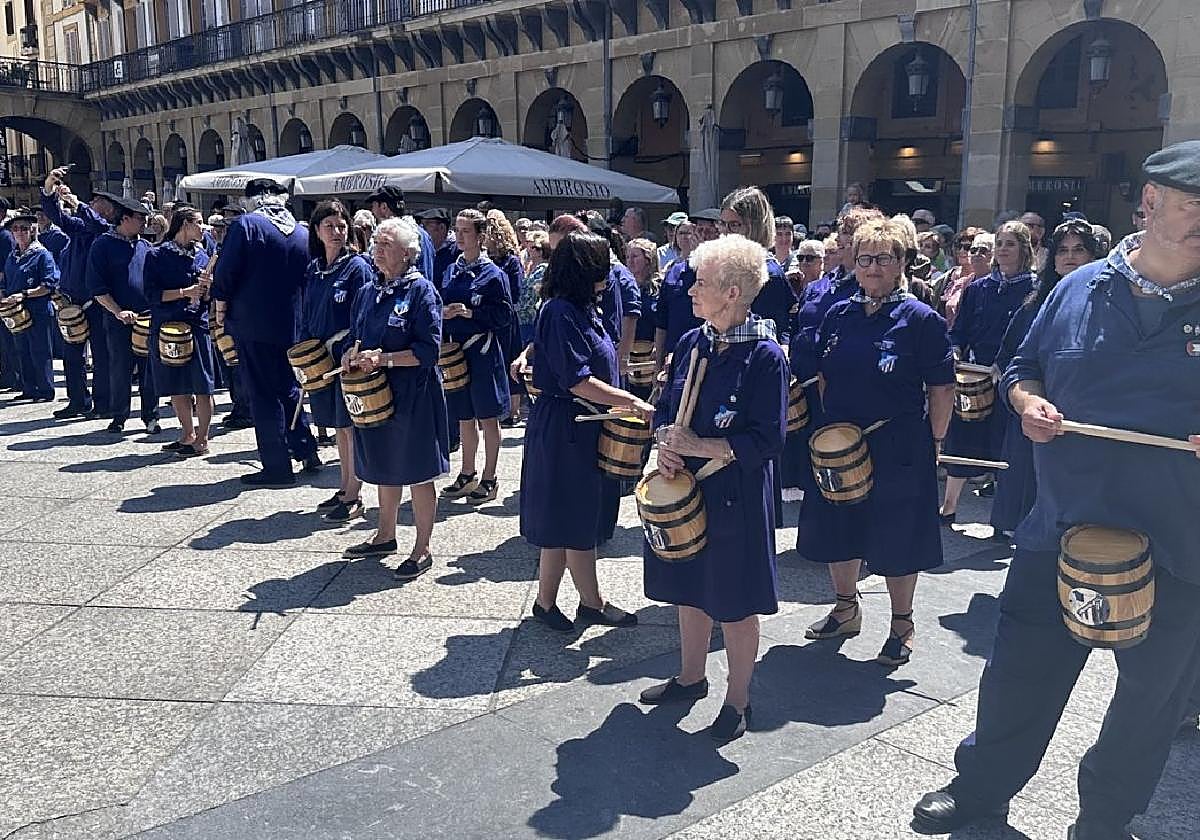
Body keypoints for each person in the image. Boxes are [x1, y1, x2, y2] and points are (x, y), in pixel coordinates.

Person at [913, 140, 1200, 840]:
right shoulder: (1079, 288)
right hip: (1061, 528)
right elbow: (1022, 366)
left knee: (1150, 703)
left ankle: (1106, 818)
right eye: (1196, 207)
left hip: (1179, 543)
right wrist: (1026, 402)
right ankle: (981, 789)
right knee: (1018, 677)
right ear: (1151, 203)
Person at [639, 234, 789, 741]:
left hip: (737, 496)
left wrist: (700, 445)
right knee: (690, 590)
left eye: (700, 282)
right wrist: (664, 441)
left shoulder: (766, 355)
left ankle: (738, 701)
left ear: (732, 291)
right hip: (690, 489)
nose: (690, 290)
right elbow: (665, 408)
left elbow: (768, 439)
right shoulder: (693, 341)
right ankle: (690, 677)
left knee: (737, 604)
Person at [798, 217, 955, 666]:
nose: (871, 268)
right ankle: (846, 609)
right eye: (864, 259)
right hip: (841, 444)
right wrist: (837, 435)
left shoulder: (920, 319)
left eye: (883, 259)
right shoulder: (840, 313)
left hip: (899, 444)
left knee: (897, 537)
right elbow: (824, 376)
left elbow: (941, 388)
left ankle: (901, 625)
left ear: (902, 262)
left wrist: (936, 441)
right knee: (838, 528)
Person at [520, 230, 652, 632]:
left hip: (580, 424)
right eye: (602, 265)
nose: (610, 272)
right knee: (573, 517)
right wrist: (631, 402)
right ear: (583, 270)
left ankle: (548, 603)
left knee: (568, 519)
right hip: (568, 425)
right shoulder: (560, 311)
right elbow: (577, 380)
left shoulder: (581, 307)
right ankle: (590, 603)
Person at [339, 217, 449, 576]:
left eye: (386, 244)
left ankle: (423, 547)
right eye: (376, 243)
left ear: (406, 253)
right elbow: (356, 334)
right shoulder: (370, 291)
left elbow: (428, 351)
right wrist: (349, 355)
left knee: (418, 470)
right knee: (385, 465)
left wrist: (384, 359)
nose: (377, 250)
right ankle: (385, 534)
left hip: (414, 393)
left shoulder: (421, 291)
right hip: (377, 394)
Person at [989, 220, 1102, 542]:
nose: (1070, 257)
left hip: (1084, 416)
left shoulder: (1111, 306)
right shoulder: (1036, 304)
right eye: (1063, 251)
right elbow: (1011, 356)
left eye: (1079, 250)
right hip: (1036, 415)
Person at [211, 179, 320, 485]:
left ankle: (276, 465)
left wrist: (220, 306)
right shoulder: (301, 230)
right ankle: (306, 448)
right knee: (289, 387)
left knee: (262, 393)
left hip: (254, 322)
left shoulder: (246, 225)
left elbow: (226, 272)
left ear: (250, 199)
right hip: (293, 323)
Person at [939, 222, 1036, 522]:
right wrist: (955, 350)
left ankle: (1003, 517)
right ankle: (949, 506)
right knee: (962, 438)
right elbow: (960, 331)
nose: (1003, 249)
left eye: (1010, 243)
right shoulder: (979, 287)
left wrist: (1008, 367)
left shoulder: (1034, 289)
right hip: (975, 377)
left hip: (1011, 379)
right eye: (1001, 243)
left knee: (1005, 445)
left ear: (1024, 249)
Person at [302, 200, 373, 521]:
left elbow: (364, 315)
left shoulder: (357, 267)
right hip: (320, 360)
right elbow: (305, 313)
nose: (336, 231)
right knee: (337, 428)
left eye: (341, 225)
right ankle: (345, 486)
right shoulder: (313, 269)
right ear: (316, 231)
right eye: (329, 226)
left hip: (346, 359)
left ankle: (354, 492)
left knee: (349, 427)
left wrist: (351, 347)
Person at [439, 209, 512, 505]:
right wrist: (444, 313)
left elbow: (505, 315)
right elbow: (440, 300)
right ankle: (467, 473)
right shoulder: (451, 269)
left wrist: (472, 313)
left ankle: (490, 477)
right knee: (464, 416)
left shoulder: (494, 274)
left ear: (481, 237)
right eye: (457, 229)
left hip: (482, 351)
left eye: (466, 231)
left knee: (487, 416)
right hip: (456, 353)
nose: (460, 236)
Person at [40, 172, 115, 419]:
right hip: (71, 300)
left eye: (96, 202)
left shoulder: (104, 230)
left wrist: (78, 204)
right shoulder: (80, 228)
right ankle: (78, 401)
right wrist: (49, 190)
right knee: (72, 354)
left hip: (96, 302)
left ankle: (102, 402)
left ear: (106, 209)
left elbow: (97, 223)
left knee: (101, 354)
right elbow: (56, 216)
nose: (91, 203)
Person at [143, 205, 216, 457]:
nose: (203, 227)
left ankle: (203, 438)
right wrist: (184, 292)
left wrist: (207, 289)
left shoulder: (203, 256)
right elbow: (151, 295)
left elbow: (208, 298)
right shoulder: (157, 255)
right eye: (198, 222)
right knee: (175, 384)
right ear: (184, 224)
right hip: (168, 326)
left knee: (203, 385)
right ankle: (187, 433)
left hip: (197, 326)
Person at [87, 195, 161, 435]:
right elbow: (98, 288)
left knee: (149, 369)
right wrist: (118, 311)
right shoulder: (102, 245)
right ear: (125, 219)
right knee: (120, 367)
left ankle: (151, 416)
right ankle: (119, 415)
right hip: (118, 319)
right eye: (140, 218)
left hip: (146, 318)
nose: (145, 223)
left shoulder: (145, 246)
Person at [720, 187, 799, 351]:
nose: (726, 232)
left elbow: (772, 335)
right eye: (723, 224)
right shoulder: (727, 264)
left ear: (754, 226)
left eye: (734, 225)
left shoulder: (768, 274)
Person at [2, 209, 58, 403]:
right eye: (16, 229)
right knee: (22, 350)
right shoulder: (12, 256)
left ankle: (45, 389)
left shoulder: (42, 254)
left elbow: (49, 285)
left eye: (24, 229)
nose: (20, 232)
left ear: (32, 230)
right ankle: (29, 388)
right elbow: (7, 281)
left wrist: (24, 294)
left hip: (38, 309)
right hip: (17, 312)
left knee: (40, 351)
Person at [484, 210, 526, 426]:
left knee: (510, 360)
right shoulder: (484, 260)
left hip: (508, 319)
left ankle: (513, 410)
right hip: (492, 319)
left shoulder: (510, 261)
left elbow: (517, 291)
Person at [653, 220, 702, 369]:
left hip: (700, 351)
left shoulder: (710, 270)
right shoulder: (672, 269)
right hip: (673, 351)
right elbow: (662, 319)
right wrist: (658, 363)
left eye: (690, 233)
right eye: (681, 233)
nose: (686, 237)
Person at [365, 186, 434, 284]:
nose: (372, 211)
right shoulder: (421, 233)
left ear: (384, 207)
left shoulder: (411, 235)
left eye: (373, 206)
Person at [624, 237, 660, 400]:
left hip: (650, 354)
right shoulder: (623, 286)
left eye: (635, 256)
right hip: (627, 353)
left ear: (648, 260)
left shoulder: (659, 288)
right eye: (628, 257)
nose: (630, 261)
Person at [933, 227, 985, 327]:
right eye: (958, 246)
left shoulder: (981, 279)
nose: (961, 251)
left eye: (968, 247)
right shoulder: (948, 277)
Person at [418, 208, 459, 291]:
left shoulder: (458, 250)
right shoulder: (422, 248)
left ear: (442, 228)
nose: (422, 230)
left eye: (426, 225)